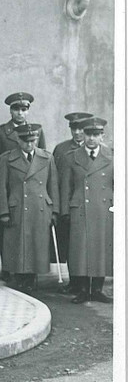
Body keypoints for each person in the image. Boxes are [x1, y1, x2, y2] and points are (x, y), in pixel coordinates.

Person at [0, 123, 59, 291]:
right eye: (25, 140)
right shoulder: (7, 158)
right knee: (16, 244)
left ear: (37, 139)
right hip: (17, 208)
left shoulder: (47, 158)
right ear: (17, 139)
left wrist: (55, 210)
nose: (29, 144)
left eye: (33, 140)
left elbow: (53, 186)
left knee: (37, 244)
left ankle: (31, 278)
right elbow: (0, 187)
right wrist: (3, 211)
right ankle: (18, 277)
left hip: (40, 208)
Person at [0, 92, 46, 278]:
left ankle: (28, 270)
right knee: (8, 232)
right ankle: (7, 268)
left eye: (24, 109)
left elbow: (41, 157)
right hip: (8, 187)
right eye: (16, 109)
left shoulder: (37, 131)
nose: (20, 113)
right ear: (10, 110)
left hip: (29, 189)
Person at [60, 117, 113, 304]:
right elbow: (66, 187)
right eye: (88, 134)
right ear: (83, 134)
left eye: (96, 134)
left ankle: (97, 289)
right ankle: (82, 289)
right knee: (80, 250)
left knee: (100, 249)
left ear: (102, 136)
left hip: (103, 209)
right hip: (80, 208)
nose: (91, 138)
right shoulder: (72, 157)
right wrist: (65, 211)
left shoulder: (111, 156)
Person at [51, 111, 93, 288]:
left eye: (81, 129)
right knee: (69, 244)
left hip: (89, 205)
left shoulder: (96, 150)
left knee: (89, 243)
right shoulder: (61, 149)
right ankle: (74, 281)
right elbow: (54, 179)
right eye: (73, 128)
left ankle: (91, 281)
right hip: (67, 204)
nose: (77, 133)